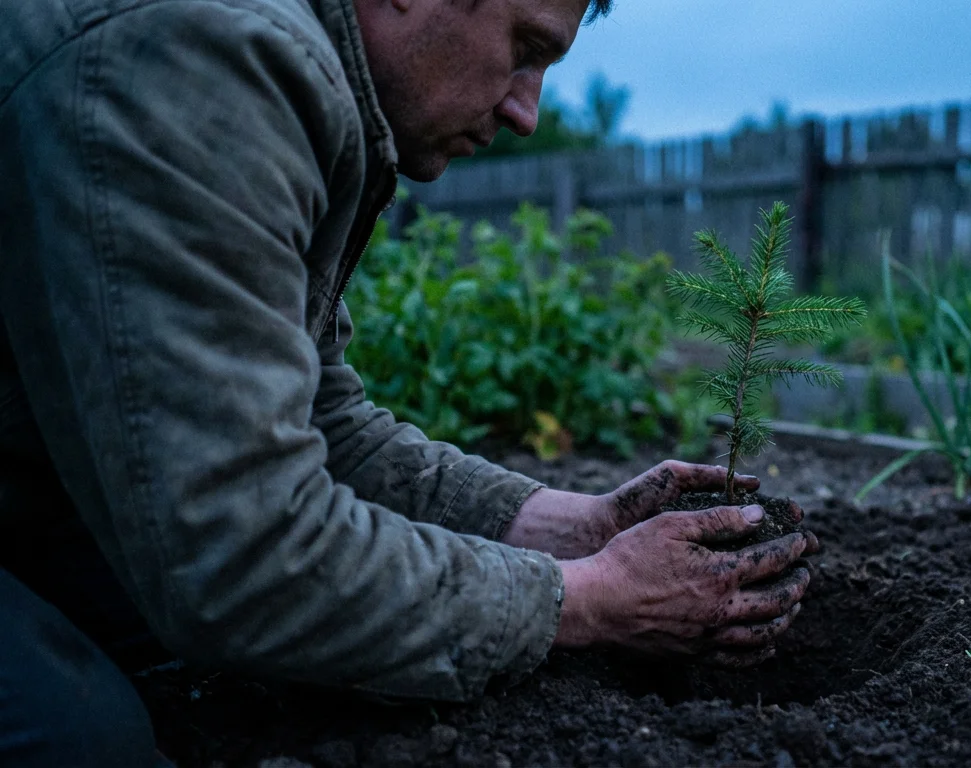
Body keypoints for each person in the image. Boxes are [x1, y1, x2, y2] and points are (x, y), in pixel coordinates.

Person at [0, 0, 816, 764]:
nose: (526, 111)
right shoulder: (209, 58)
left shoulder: (293, 70)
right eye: (525, 49)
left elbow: (324, 424)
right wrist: (590, 600)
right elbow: (243, 557)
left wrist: (570, 527)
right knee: (81, 734)